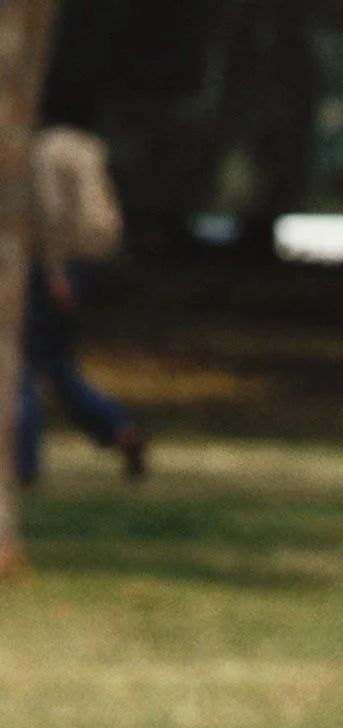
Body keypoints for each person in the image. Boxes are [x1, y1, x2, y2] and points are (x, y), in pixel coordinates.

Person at [14, 109, 145, 488]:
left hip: (55, 264)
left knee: (23, 363)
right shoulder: (87, 148)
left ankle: (23, 463)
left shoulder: (43, 151)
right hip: (89, 261)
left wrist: (54, 268)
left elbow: (51, 212)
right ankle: (118, 428)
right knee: (58, 366)